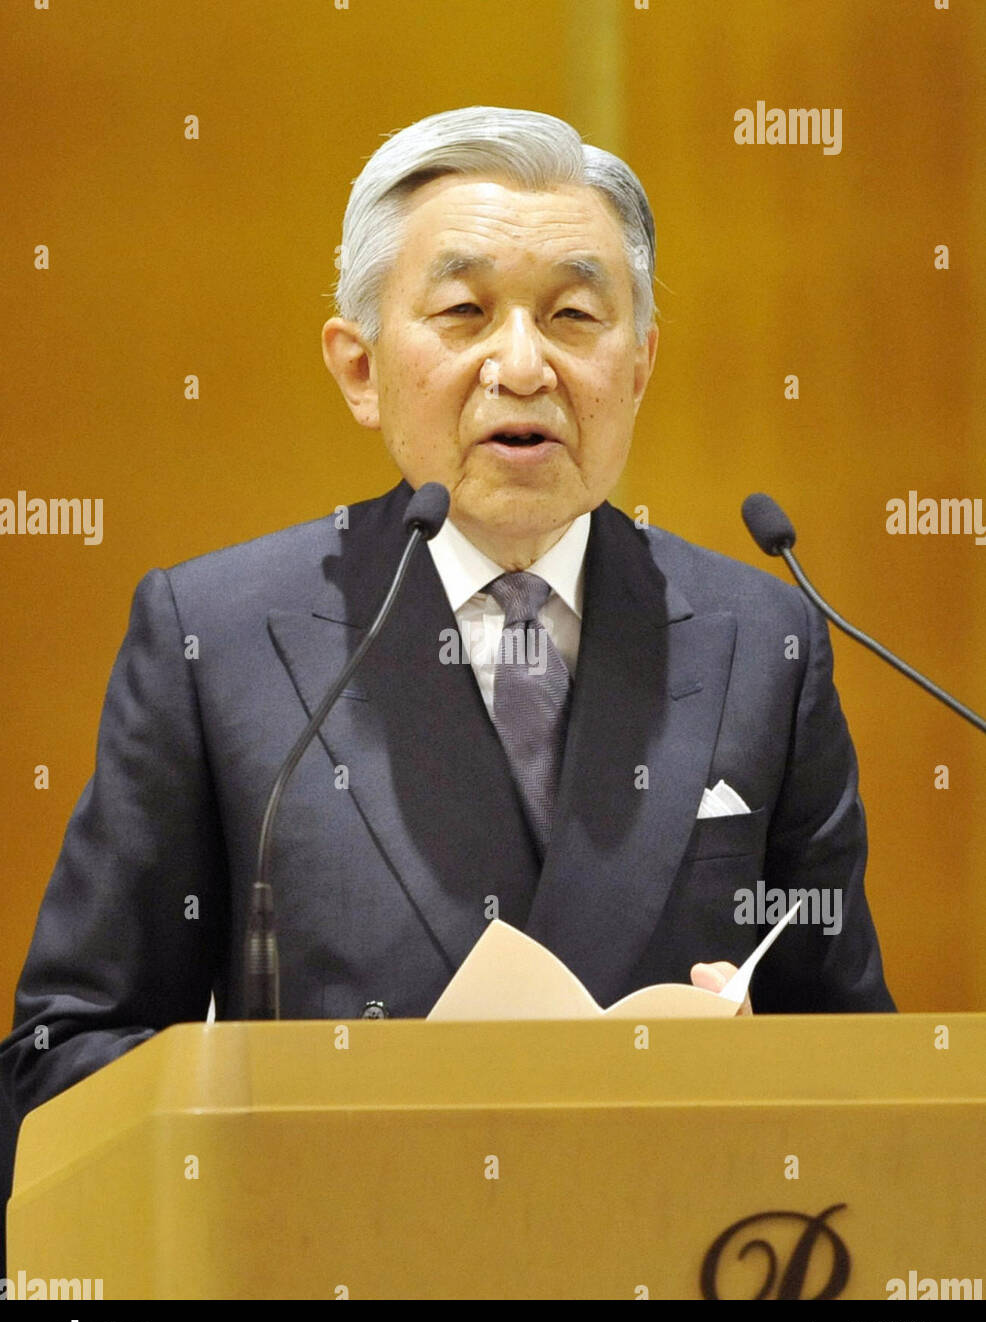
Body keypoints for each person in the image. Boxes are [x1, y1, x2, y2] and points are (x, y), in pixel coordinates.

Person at [0, 104, 895, 1133]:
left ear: (638, 364)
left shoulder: (763, 644)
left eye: (572, 316)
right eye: (464, 313)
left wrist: (759, 1073)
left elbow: (856, 1058)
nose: (521, 367)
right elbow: (60, 1053)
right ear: (359, 367)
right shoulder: (215, 638)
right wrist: (289, 1103)